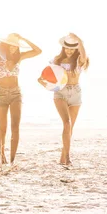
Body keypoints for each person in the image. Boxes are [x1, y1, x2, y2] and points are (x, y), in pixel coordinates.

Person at [0, 33, 42, 165]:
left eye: (16, 45)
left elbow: (38, 51)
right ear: (6, 45)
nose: (14, 48)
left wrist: (24, 39)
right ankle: (2, 157)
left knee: (15, 127)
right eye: (11, 45)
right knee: (2, 128)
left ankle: (12, 160)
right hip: (1, 94)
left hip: (16, 94)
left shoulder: (19, 57)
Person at [38, 33, 89, 167]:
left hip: (76, 92)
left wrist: (79, 40)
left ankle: (62, 157)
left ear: (76, 49)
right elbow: (47, 78)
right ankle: (67, 157)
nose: (69, 51)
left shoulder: (79, 61)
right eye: (67, 48)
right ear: (63, 48)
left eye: (72, 48)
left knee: (70, 127)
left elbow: (84, 55)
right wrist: (42, 82)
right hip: (60, 93)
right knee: (67, 123)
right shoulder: (56, 61)